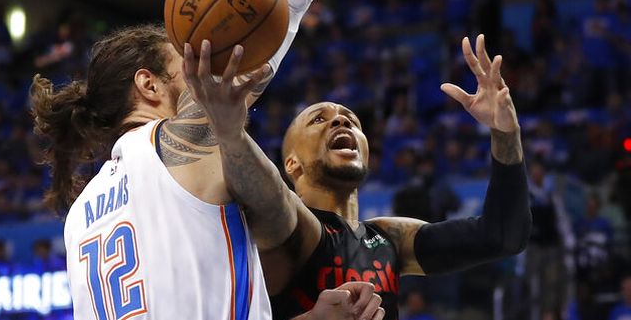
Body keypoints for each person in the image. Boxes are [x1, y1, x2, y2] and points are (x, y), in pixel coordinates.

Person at [29, 0, 386, 319]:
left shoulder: (81, 215)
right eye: (187, 61)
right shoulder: (179, 142)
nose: (207, 67)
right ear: (149, 84)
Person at [183, 33, 532, 319]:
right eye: (319, 119)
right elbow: (269, 196)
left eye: (351, 119)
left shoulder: (390, 237)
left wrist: (505, 134)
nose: (340, 120)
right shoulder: (293, 226)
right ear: (291, 164)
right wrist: (231, 133)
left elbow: (502, 236)